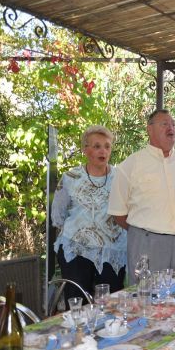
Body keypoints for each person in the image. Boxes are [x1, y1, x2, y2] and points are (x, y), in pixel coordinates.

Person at [108, 109, 175, 280]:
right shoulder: (130, 165)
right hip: (147, 245)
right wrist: (146, 232)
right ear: (149, 130)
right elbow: (118, 212)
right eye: (164, 124)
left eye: (173, 124)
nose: (171, 128)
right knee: (147, 301)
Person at [52, 125, 126, 301]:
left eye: (107, 146)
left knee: (112, 302)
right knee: (78, 301)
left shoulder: (121, 177)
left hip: (112, 249)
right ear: (85, 150)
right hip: (76, 247)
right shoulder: (71, 177)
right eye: (97, 146)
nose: (103, 151)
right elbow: (58, 215)